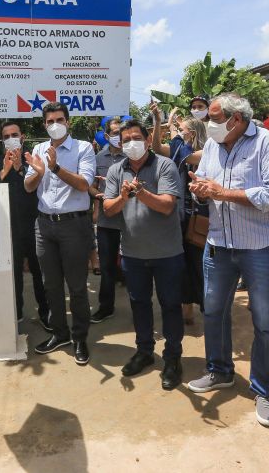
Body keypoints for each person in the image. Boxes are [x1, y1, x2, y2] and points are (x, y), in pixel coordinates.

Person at [186, 93, 269, 428]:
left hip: (261, 247)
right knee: (213, 312)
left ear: (237, 119)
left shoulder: (267, 143)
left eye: (215, 119)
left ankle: (266, 390)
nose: (210, 124)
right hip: (218, 244)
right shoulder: (213, 146)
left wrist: (222, 193)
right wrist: (200, 190)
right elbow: (206, 183)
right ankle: (220, 371)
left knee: (266, 321)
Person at [103, 120, 185, 389]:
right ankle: (145, 351)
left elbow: (167, 205)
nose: (131, 144)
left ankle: (172, 358)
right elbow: (108, 210)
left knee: (170, 305)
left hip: (167, 253)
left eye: (136, 138)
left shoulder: (164, 165)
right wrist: (124, 197)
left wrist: (140, 191)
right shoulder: (116, 170)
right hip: (133, 253)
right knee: (139, 304)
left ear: (148, 140)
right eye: (125, 140)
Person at [25, 102, 96, 365]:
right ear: (44, 124)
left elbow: (84, 184)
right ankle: (60, 333)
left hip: (73, 226)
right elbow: (28, 186)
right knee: (51, 285)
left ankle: (80, 338)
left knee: (76, 286)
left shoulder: (83, 148)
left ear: (68, 122)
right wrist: (39, 173)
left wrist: (55, 168)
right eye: (50, 121)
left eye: (59, 120)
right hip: (44, 225)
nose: (55, 125)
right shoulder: (38, 150)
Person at [0, 121, 47, 325]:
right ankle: (16, 313)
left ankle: (45, 313)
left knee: (40, 273)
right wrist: (4, 171)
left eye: (14, 135)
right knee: (14, 275)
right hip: (9, 228)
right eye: (6, 136)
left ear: (22, 137)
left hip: (35, 226)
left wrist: (20, 169)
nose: (11, 139)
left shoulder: (33, 158)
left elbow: (38, 185)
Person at [152, 105, 208, 323]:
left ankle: (208, 309)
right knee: (181, 264)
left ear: (192, 134)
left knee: (200, 265)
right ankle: (187, 308)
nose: (177, 133)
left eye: (182, 130)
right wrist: (160, 124)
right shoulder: (178, 149)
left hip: (201, 218)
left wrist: (174, 132)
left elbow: (187, 156)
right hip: (181, 217)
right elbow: (157, 148)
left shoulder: (206, 152)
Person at [88, 117, 126, 324]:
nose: (119, 137)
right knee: (107, 265)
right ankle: (106, 306)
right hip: (107, 219)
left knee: (135, 265)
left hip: (131, 219)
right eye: (115, 133)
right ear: (106, 135)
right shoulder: (97, 158)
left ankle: (139, 306)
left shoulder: (132, 156)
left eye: (121, 132)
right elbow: (91, 186)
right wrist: (99, 197)